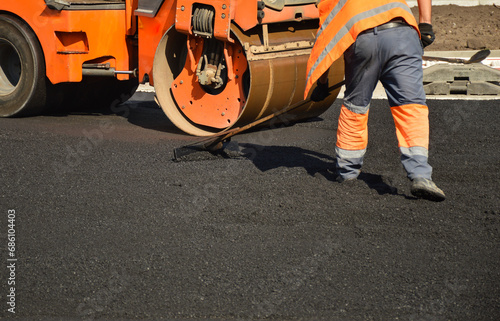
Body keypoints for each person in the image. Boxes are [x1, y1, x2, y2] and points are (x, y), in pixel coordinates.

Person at [304, 0, 445, 201]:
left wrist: (322, 84)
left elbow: (327, 42)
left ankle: (347, 173)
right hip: (403, 33)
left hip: (363, 42)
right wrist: (425, 24)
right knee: (411, 107)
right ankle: (421, 175)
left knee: (356, 108)